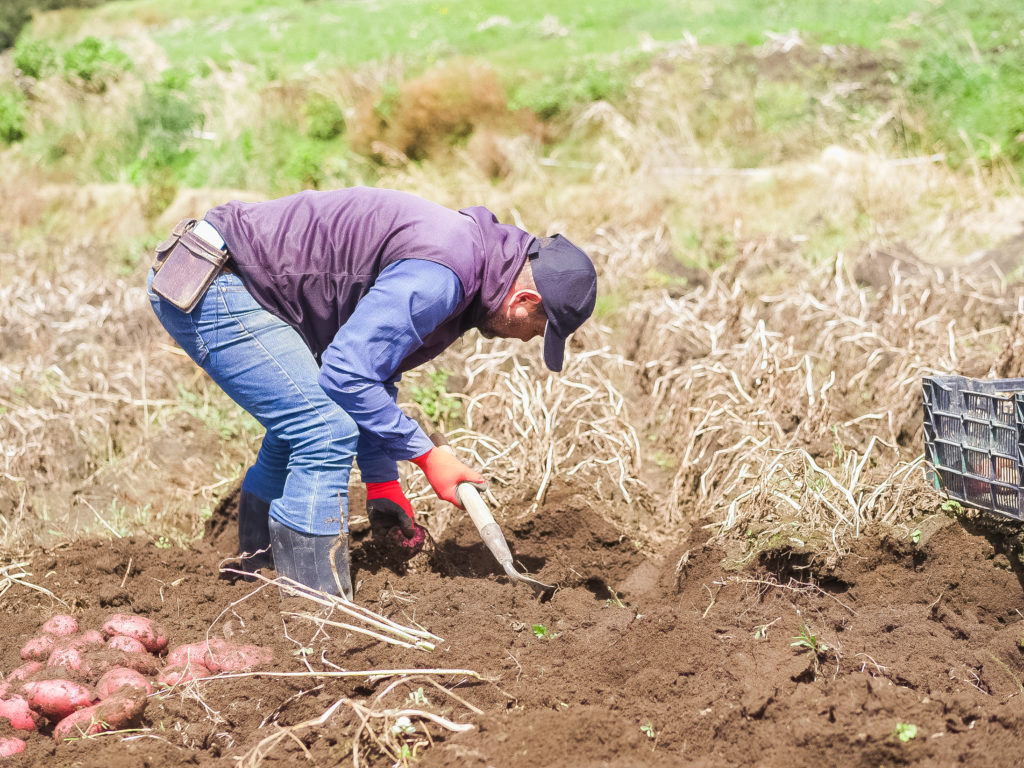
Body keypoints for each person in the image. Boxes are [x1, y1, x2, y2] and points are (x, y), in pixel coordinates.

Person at [146, 186, 598, 598]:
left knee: (299, 426)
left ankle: (255, 568)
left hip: (231, 276)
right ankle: (316, 606)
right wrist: (426, 454)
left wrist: (383, 482)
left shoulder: (471, 267)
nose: (528, 340)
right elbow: (344, 374)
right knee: (321, 430)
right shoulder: (442, 274)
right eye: (539, 330)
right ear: (525, 301)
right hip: (214, 281)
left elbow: (371, 376)